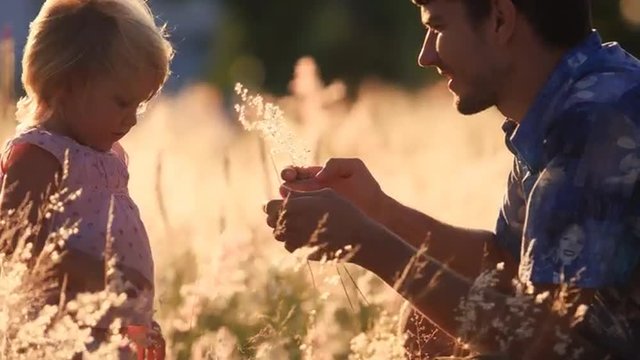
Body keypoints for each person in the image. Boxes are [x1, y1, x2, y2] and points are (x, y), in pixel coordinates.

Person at [264, 0, 640, 358]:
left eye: (438, 26)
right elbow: (508, 265)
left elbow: (537, 338)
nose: (426, 56)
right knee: (425, 329)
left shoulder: (597, 120)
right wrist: (378, 211)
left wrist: (364, 240)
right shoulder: (566, 104)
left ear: (499, 19)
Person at [0, 0, 173, 357]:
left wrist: (139, 323)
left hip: (113, 337)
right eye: (122, 102)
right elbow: (15, 246)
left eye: (139, 105)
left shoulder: (109, 159)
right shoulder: (40, 155)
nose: (133, 119)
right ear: (67, 85)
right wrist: (104, 276)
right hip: (61, 339)